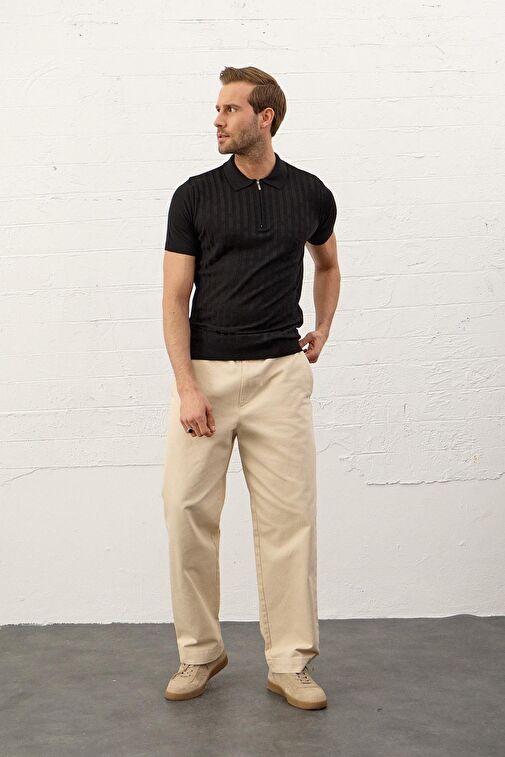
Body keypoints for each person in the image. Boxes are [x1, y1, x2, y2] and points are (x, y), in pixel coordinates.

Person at [161, 65, 340, 710]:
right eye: (217, 109)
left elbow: (327, 263)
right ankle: (199, 652)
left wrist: (323, 327)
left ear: (266, 118)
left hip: (280, 378)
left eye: (230, 109)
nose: (218, 119)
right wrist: (187, 387)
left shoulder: (310, 193)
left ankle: (290, 663)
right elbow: (174, 298)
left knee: (289, 521)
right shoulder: (194, 196)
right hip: (206, 376)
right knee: (186, 511)